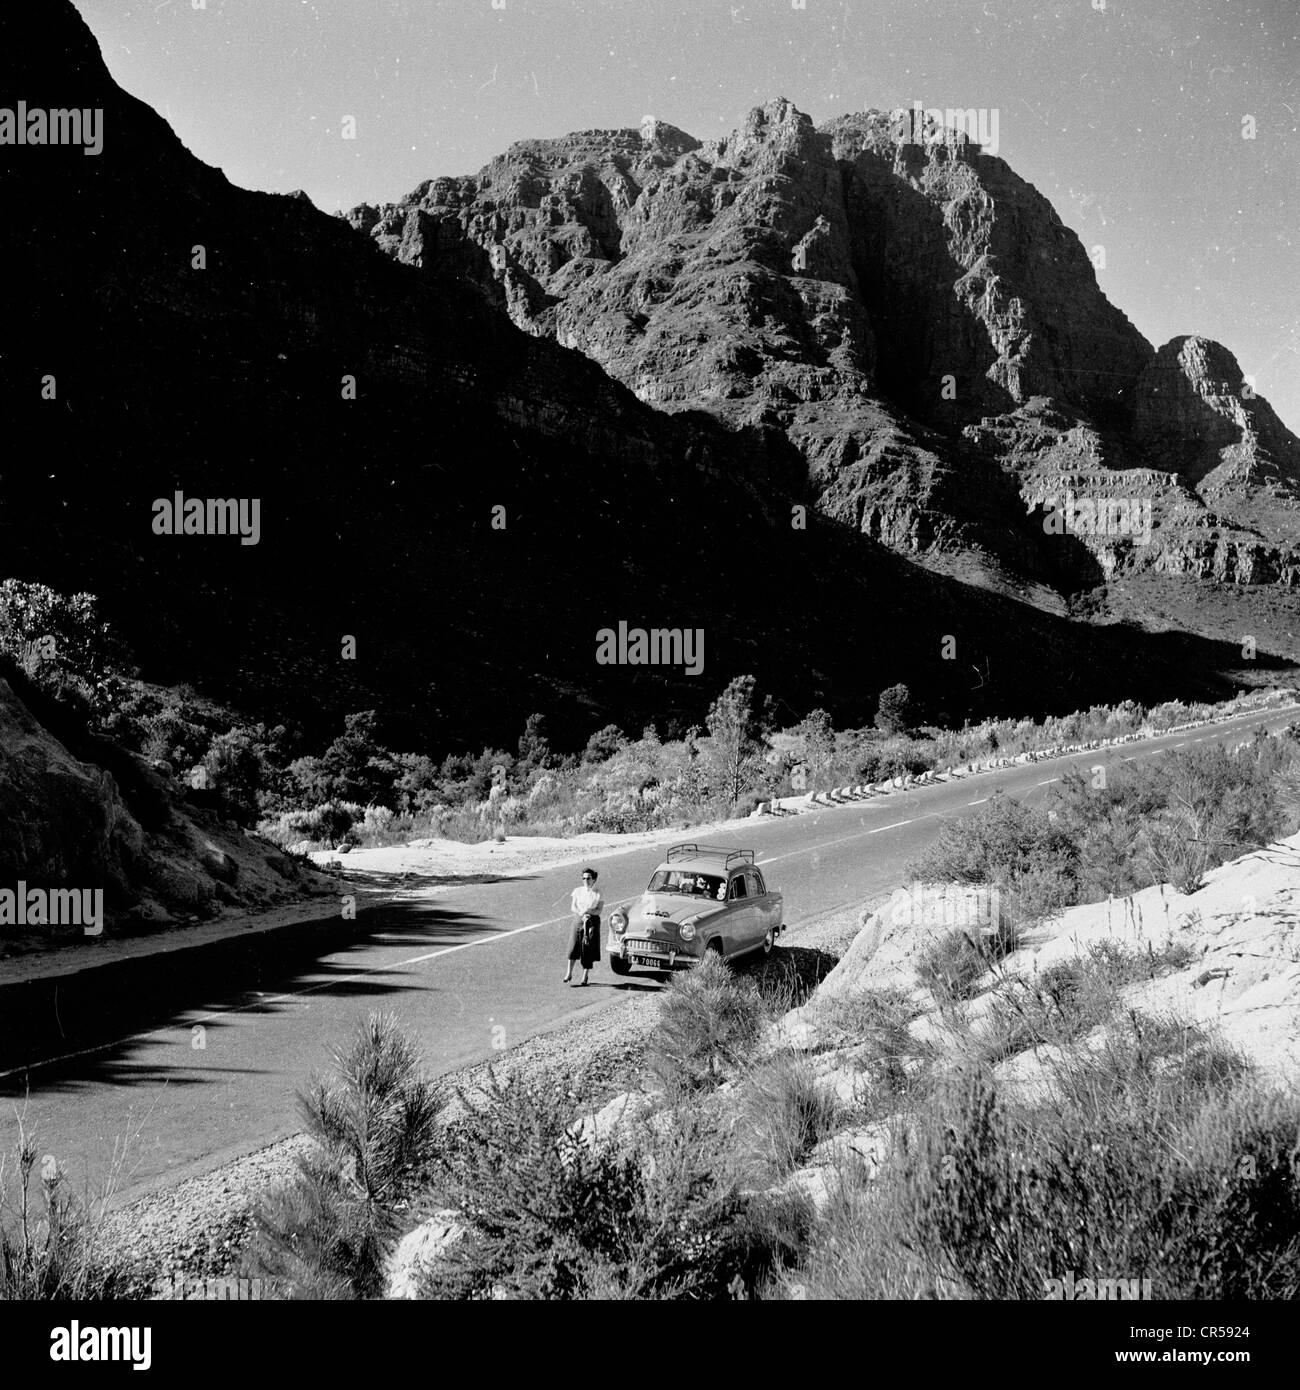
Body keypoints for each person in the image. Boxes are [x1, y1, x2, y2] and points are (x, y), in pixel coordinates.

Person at [564, 867, 603, 985]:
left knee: (588, 949)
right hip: (579, 919)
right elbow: (573, 906)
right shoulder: (577, 891)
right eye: (584, 878)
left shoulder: (598, 893)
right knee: (573, 945)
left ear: (594, 879)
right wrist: (582, 914)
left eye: (589, 878)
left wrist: (588, 913)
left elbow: (599, 910)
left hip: (592, 921)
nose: (586, 880)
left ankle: (585, 975)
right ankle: (568, 973)